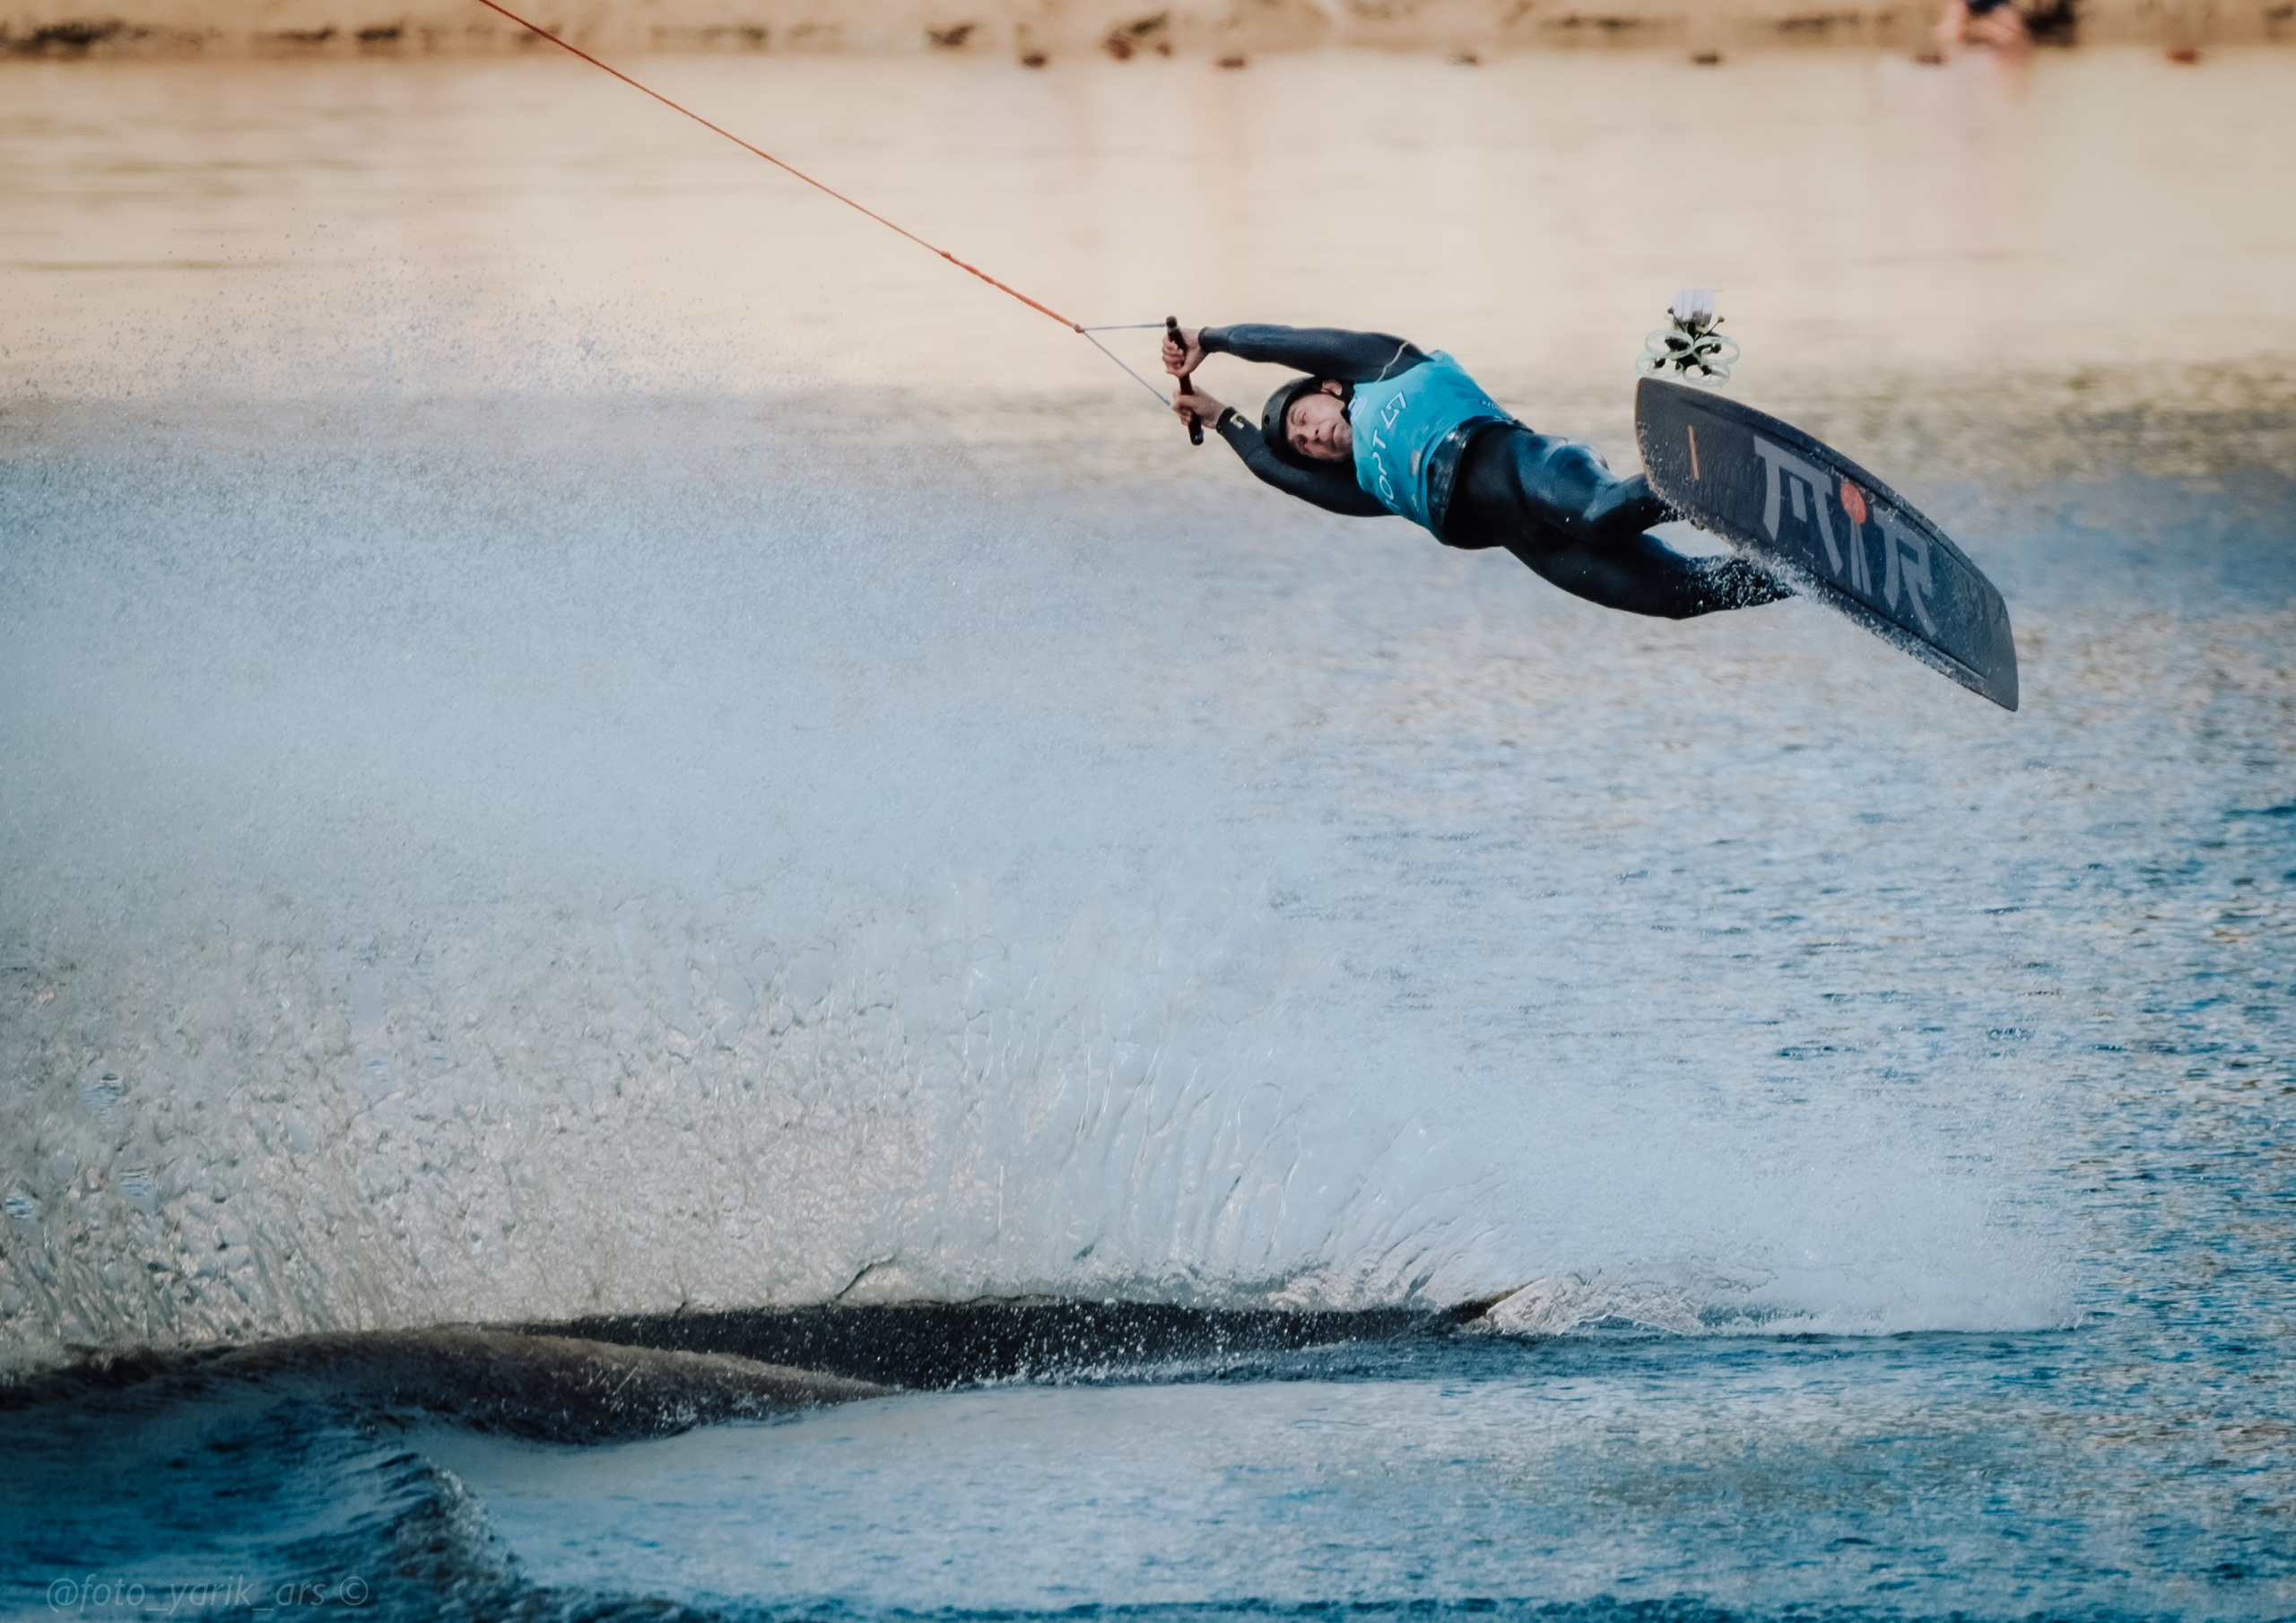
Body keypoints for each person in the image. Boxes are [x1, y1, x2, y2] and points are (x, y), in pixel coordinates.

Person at [1162, 323, 1789, 621]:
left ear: (1329, 387)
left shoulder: (1385, 366)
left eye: (1305, 416)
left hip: (1533, 468)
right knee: (1680, 595)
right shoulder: (1365, 485)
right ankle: (1799, 575)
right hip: (1530, 544)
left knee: (1601, 514)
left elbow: (1291, 340)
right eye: (1301, 442)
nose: (1310, 436)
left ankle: (1727, 474)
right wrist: (1220, 417)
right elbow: (1275, 471)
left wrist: (1212, 340)